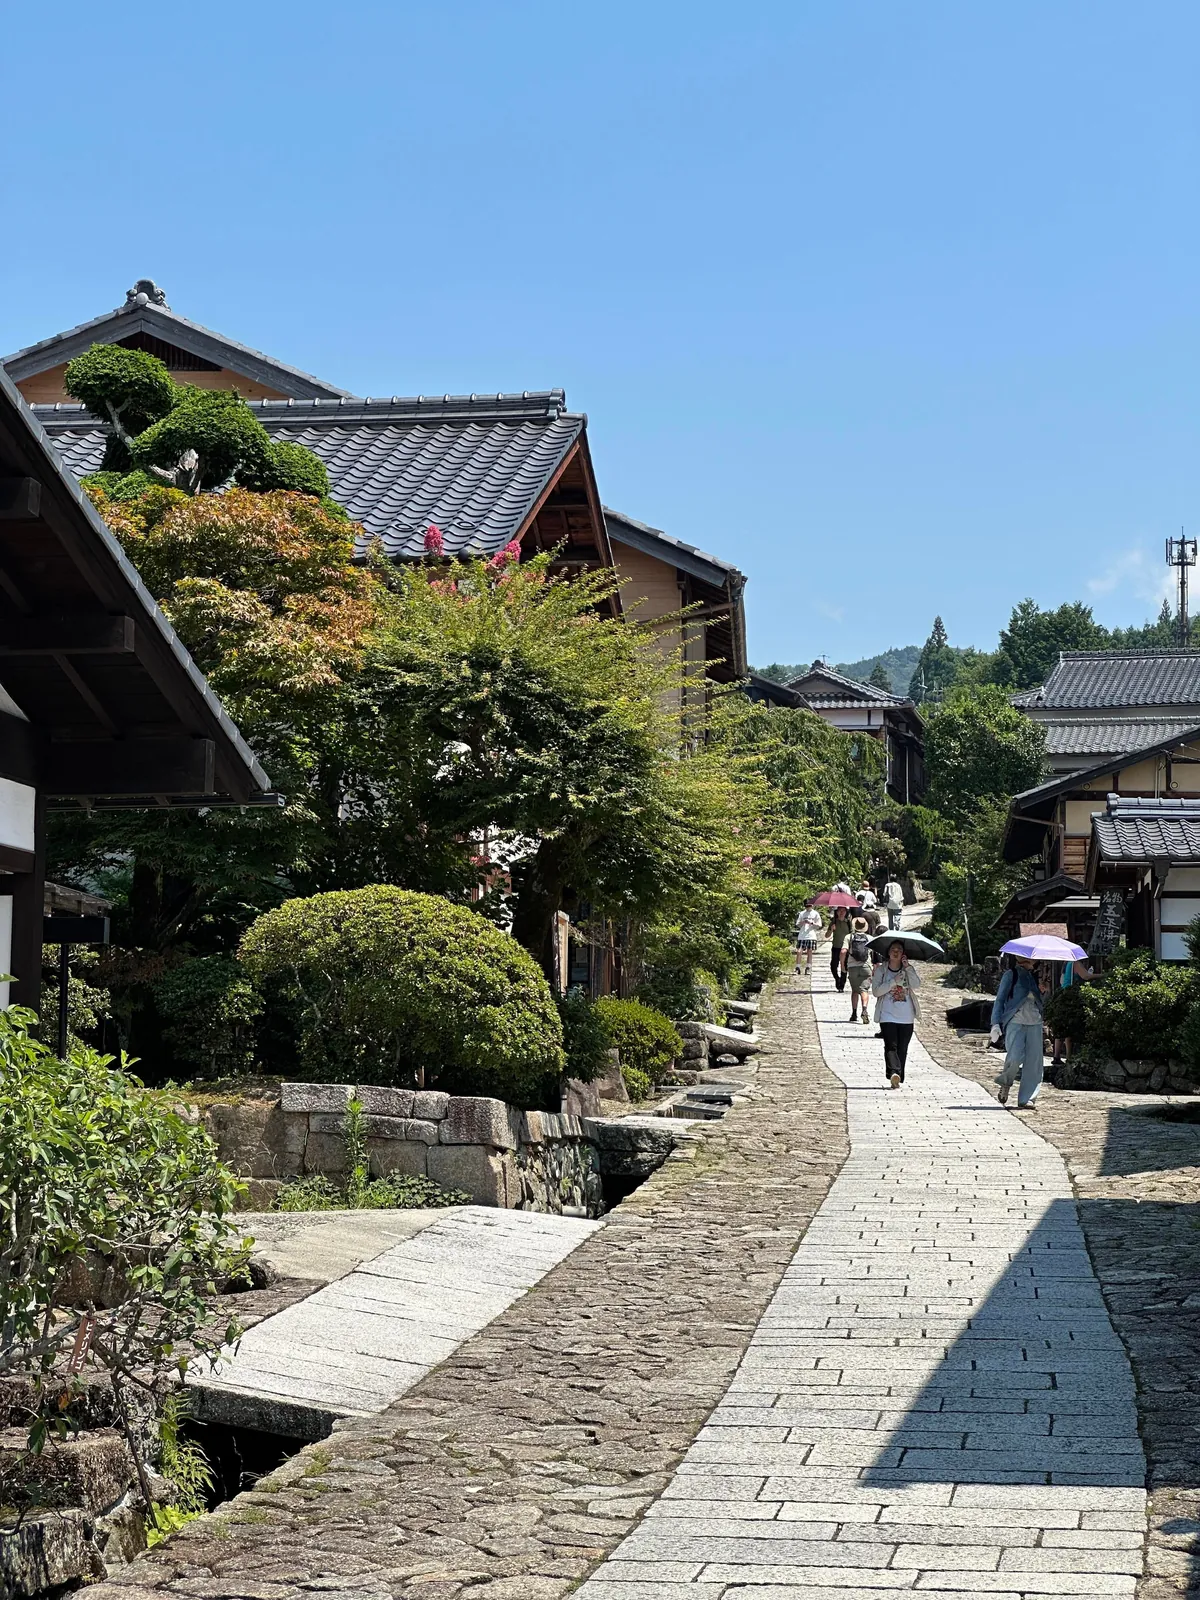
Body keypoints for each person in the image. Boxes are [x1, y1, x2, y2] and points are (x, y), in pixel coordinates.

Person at [990, 955, 1050, 1108]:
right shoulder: (1011, 974)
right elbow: (1000, 999)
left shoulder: (1034, 977)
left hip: (1035, 1022)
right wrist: (995, 1023)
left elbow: (1037, 1001)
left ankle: (1027, 1098)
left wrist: (1042, 990)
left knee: (1034, 1062)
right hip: (1015, 1021)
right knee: (1015, 1057)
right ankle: (1006, 1081)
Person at [871, 941, 921, 1088]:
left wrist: (908, 968)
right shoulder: (881, 971)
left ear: (903, 954)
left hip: (906, 1016)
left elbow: (917, 984)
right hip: (887, 1015)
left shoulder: (907, 969)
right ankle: (894, 1073)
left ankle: (898, 1075)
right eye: (893, 949)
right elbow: (876, 991)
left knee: (902, 1048)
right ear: (888, 953)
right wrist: (893, 982)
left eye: (899, 949)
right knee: (890, 1045)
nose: (896, 952)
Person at [1050, 957, 1092, 1066]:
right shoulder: (1076, 963)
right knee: (1070, 1028)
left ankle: (1057, 1056)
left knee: (1061, 1028)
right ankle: (1069, 1057)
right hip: (1070, 997)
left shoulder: (1066, 963)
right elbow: (1086, 976)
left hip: (1063, 995)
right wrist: (1102, 975)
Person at [841, 916, 874, 1025]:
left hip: (852, 967)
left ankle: (854, 1014)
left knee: (855, 991)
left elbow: (843, 951)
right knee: (864, 990)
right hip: (866, 967)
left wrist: (842, 965)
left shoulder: (848, 937)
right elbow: (875, 953)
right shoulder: (869, 938)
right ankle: (864, 1009)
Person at [794, 902, 823, 977]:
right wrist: (803, 922)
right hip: (802, 935)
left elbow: (819, 925)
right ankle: (797, 967)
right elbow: (797, 924)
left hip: (811, 935)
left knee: (809, 951)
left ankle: (808, 967)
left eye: (809, 906)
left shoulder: (815, 913)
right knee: (799, 951)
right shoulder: (802, 913)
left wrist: (812, 923)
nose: (808, 907)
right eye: (807, 906)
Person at [828, 904, 852, 991]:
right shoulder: (834, 922)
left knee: (844, 966)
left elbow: (852, 934)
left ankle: (841, 985)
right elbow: (827, 936)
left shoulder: (848, 922)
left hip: (845, 948)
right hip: (835, 947)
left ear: (846, 912)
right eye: (840, 911)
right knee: (833, 966)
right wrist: (831, 929)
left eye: (843, 911)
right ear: (837, 912)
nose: (841, 913)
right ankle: (837, 979)